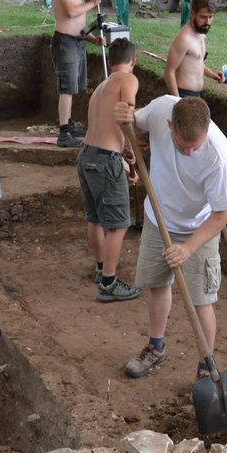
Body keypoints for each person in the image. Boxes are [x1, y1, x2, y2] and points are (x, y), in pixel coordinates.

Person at [113, 96, 227, 378]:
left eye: (196, 146)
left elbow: (221, 214)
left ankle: (206, 367)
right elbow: (133, 124)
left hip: (200, 227)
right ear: (170, 126)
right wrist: (123, 119)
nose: (190, 152)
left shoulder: (218, 156)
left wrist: (188, 248)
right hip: (159, 218)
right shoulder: (160, 110)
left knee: (201, 299)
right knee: (157, 284)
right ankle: (155, 347)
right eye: (183, 146)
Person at [79, 38, 142, 303]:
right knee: (118, 225)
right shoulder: (128, 79)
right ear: (133, 62)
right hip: (105, 159)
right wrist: (131, 148)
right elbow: (125, 113)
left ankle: (100, 266)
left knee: (95, 218)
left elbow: (106, 128)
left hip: (87, 155)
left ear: (109, 61)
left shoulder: (100, 88)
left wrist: (124, 160)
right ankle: (109, 283)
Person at [51, 0, 102, 148]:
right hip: (65, 43)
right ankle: (63, 133)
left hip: (77, 42)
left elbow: (79, 26)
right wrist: (92, 3)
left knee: (73, 87)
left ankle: (69, 125)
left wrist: (94, 39)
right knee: (67, 88)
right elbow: (71, 12)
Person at [163, 0, 224, 98]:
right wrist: (178, 100)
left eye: (210, 17)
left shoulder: (201, 33)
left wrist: (213, 75)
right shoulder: (184, 38)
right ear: (192, 14)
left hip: (197, 95)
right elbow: (169, 72)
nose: (208, 22)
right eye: (203, 17)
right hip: (183, 95)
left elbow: (196, 63)